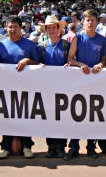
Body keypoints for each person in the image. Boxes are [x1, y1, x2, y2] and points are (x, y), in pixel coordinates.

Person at [0, 16, 41, 159]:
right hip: (6, 88)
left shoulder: (30, 45)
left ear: (20, 28)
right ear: (5, 28)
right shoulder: (0, 45)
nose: (12, 29)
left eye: (15, 27)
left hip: (26, 88)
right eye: (10, 27)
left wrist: (28, 60)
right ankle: (5, 147)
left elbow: (39, 63)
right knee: (7, 117)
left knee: (25, 116)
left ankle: (27, 146)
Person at [64, 9, 106, 160]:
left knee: (93, 115)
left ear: (97, 21)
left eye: (93, 20)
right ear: (82, 22)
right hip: (80, 82)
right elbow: (70, 59)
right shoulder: (77, 38)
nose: (90, 22)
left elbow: (104, 59)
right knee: (77, 114)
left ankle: (91, 146)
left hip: (96, 81)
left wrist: (101, 65)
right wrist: (80, 64)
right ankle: (74, 146)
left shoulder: (102, 40)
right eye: (87, 20)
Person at [36, 15, 69, 159]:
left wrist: (70, 65)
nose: (51, 30)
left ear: (58, 29)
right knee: (49, 118)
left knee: (62, 118)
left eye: (53, 27)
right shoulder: (42, 46)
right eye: (48, 28)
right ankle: (51, 146)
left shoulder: (66, 45)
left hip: (64, 88)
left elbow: (72, 60)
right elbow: (36, 63)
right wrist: (39, 66)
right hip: (47, 88)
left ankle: (61, 147)